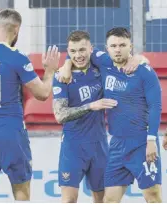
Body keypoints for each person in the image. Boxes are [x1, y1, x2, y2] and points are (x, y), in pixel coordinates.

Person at [0, 8, 60, 203]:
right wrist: (50, 71)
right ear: (16, 30)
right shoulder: (17, 57)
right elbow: (42, 94)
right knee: (21, 190)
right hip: (11, 133)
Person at [60, 27, 162, 203]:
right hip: (116, 145)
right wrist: (66, 64)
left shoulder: (145, 72)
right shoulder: (104, 62)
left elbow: (156, 106)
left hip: (142, 142)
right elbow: (78, 52)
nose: (117, 49)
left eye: (122, 45)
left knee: (152, 196)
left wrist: (151, 140)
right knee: (109, 200)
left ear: (130, 46)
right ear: (106, 48)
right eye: (113, 45)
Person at [53, 30, 118, 203]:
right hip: (73, 146)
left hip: (99, 145)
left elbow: (122, 59)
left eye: (82, 50)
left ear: (91, 49)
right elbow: (60, 115)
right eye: (72, 51)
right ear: (67, 51)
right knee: (69, 200)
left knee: (102, 199)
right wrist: (90, 106)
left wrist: (139, 59)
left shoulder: (100, 70)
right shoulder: (61, 77)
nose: (78, 55)